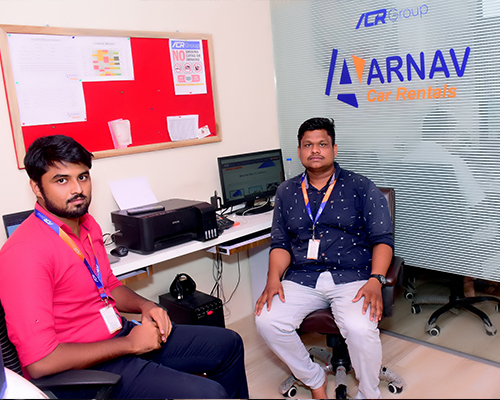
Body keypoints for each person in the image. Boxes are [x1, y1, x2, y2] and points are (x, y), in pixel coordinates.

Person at [0, 135, 248, 399]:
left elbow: (109, 286)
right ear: (36, 187)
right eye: (62, 180)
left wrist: (147, 307)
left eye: (82, 177)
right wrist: (130, 344)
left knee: (228, 344)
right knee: (209, 394)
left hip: (118, 335)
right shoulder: (24, 253)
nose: (77, 190)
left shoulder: (86, 224)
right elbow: (40, 363)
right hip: (84, 365)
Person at [255, 117, 394, 399]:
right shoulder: (287, 191)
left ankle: (368, 393)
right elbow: (280, 243)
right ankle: (313, 378)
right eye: (308, 145)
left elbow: (383, 240)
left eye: (322, 144)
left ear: (334, 149)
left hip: (353, 275)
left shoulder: (360, 186)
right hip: (303, 276)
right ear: (299, 151)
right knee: (266, 320)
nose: (315, 150)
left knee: (359, 328)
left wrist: (376, 280)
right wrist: (272, 279)